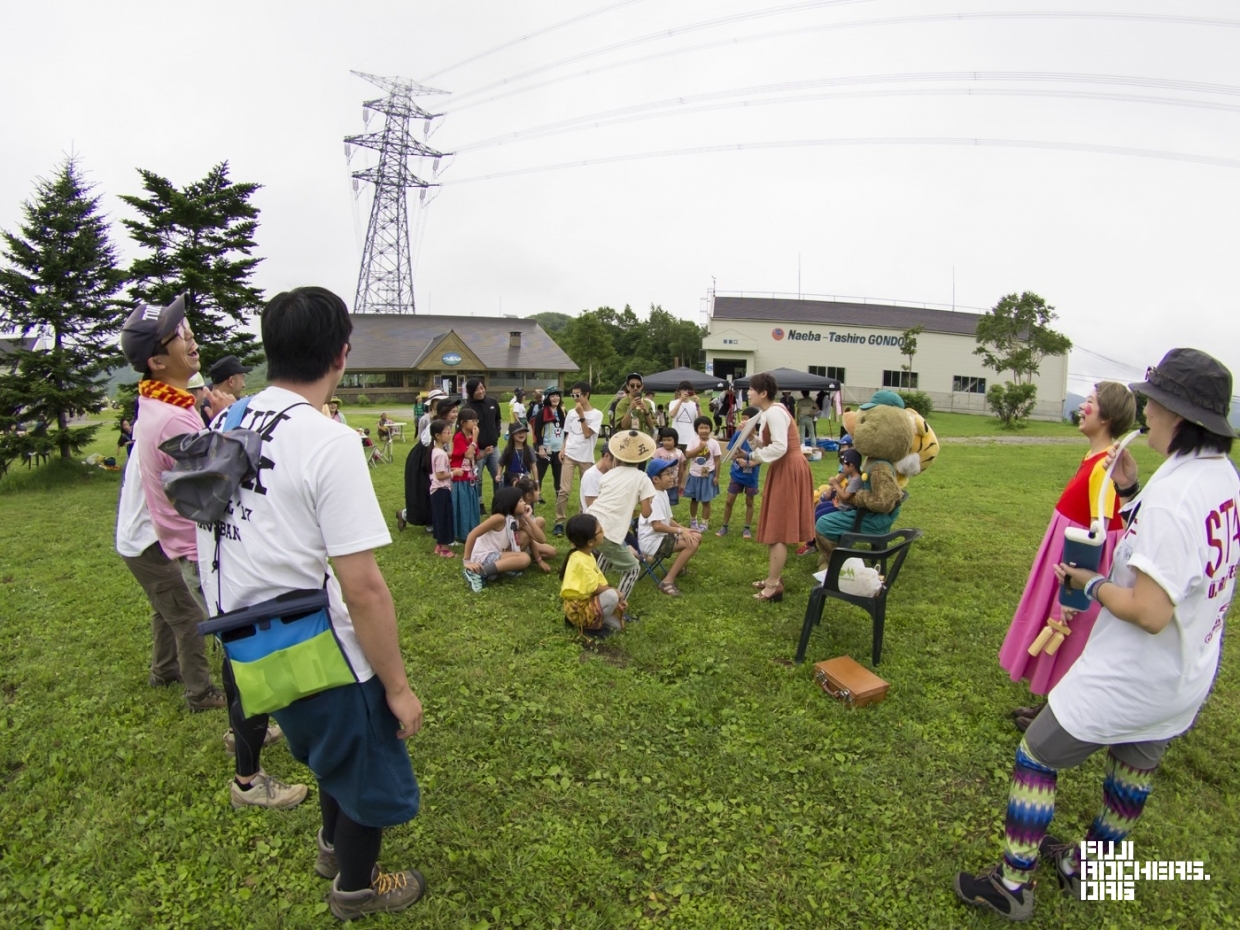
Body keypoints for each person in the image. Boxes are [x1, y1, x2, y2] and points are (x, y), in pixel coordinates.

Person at [954, 347, 1239, 922]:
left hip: (1133, 672)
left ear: (1177, 414)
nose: (1146, 412)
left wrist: (1090, 583)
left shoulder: (1177, 497)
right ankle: (1090, 869)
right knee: (1133, 764)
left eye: (1152, 402)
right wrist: (1132, 495)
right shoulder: (1220, 478)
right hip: (1183, 673)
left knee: (1037, 754)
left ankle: (1012, 886)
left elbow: (1150, 609)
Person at [197, 286, 427, 919]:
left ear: (270, 353)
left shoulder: (227, 420)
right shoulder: (327, 441)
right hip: (312, 640)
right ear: (342, 355)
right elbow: (364, 586)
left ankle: (331, 844)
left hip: (244, 640)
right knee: (366, 764)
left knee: (326, 749)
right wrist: (398, 687)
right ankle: (355, 886)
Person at [119, 294, 304, 809]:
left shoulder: (165, 403)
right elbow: (221, 486)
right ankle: (249, 779)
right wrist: (235, 430)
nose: (190, 336)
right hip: (208, 551)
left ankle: (240, 734)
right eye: (179, 334)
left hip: (199, 548)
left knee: (240, 648)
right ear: (158, 361)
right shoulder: (173, 419)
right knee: (245, 654)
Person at [998, 382, 1137, 730]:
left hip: (1074, 562)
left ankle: (1058, 713)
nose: (1082, 407)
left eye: (1089, 402)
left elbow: (1104, 533)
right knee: (1054, 626)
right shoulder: (1093, 458)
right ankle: (1050, 705)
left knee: (1069, 631)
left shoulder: (1104, 469)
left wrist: (1079, 581)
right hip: (1062, 554)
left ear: (1107, 416)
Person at [116, 441, 225, 711]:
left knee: (166, 606)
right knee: (187, 615)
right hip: (147, 542)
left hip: (141, 540)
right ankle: (200, 693)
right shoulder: (166, 433)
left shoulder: (150, 429)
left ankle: (164, 670)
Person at [731, 372, 815, 604]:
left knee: (779, 527)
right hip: (784, 467)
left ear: (763, 393)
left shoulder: (775, 412)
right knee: (776, 525)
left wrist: (751, 454)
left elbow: (779, 447)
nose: (748, 392)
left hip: (788, 467)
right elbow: (767, 444)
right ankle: (773, 577)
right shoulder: (768, 413)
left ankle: (773, 585)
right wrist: (750, 437)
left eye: (751, 389)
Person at [586, 430, 658, 605]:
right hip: (609, 530)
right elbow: (647, 513)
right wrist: (647, 500)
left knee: (605, 554)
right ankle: (617, 607)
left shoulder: (609, 474)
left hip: (589, 522)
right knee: (633, 568)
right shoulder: (643, 478)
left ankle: (591, 596)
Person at [639, 458, 702, 597]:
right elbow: (657, 526)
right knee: (693, 542)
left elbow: (668, 520)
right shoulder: (653, 497)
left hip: (660, 537)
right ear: (655, 479)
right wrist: (680, 531)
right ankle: (667, 581)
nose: (672, 476)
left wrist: (685, 529)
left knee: (696, 535)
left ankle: (678, 569)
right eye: (668, 474)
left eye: (671, 472)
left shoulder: (663, 492)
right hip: (651, 543)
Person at [560, 513, 625, 638]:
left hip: (587, 602)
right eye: (600, 530)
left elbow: (601, 581)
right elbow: (595, 588)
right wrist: (615, 592)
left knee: (618, 625)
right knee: (611, 596)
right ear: (590, 542)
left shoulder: (586, 555)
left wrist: (617, 598)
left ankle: (595, 620)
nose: (603, 532)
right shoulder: (581, 560)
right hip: (578, 610)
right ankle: (589, 628)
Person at [397, 391, 454, 532]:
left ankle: (428, 520)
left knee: (433, 490)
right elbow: (430, 448)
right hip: (422, 460)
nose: (455, 414)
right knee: (424, 492)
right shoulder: (435, 425)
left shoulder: (444, 425)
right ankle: (408, 515)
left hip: (431, 458)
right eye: (452, 411)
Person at [462, 486, 534, 591]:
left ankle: (502, 569)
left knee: (524, 548)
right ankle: (477, 573)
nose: (524, 503)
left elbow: (540, 539)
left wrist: (527, 518)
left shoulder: (514, 519)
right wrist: (467, 561)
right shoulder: (499, 518)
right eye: (520, 500)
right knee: (524, 558)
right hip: (483, 556)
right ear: (510, 503)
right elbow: (472, 534)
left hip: (496, 553)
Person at [555, 381, 603, 536]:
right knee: (564, 490)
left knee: (586, 490)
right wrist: (563, 448)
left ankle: (583, 520)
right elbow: (568, 433)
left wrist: (582, 415)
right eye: (573, 395)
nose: (575, 398)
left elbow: (588, 434)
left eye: (578, 395)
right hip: (570, 453)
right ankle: (560, 521)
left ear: (586, 394)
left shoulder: (596, 414)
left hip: (586, 457)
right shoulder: (570, 412)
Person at [716, 405, 761, 539]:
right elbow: (731, 453)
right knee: (729, 501)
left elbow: (764, 456)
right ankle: (724, 526)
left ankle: (747, 528)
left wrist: (755, 461)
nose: (742, 422)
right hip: (736, 474)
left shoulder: (759, 439)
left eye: (746, 419)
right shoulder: (738, 435)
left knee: (749, 502)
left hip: (751, 476)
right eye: (742, 419)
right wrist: (738, 460)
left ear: (753, 421)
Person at [462, 378, 503, 502]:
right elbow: (463, 429)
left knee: (498, 476)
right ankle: (479, 503)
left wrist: (497, 433)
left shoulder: (492, 402)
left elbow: (498, 420)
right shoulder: (467, 408)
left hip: (493, 448)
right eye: (476, 390)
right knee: (477, 478)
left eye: (482, 388)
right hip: (477, 449)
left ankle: (499, 502)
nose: (480, 391)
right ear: (470, 392)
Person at [680, 416, 721, 532]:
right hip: (694, 475)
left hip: (708, 476)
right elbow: (687, 455)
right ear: (696, 430)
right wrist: (700, 447)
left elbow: (717, 460)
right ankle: (693, 520)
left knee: (706, 501)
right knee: (694, 500)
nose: (704, 430)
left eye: (706, 428)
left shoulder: (714, 443)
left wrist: (717, 476)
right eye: (701, 428)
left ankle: (704, 523)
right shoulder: (693, 441)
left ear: (711, 429)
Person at [451, 408, 481, 544]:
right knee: (462, 505)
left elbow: (476, 455)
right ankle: (461, 533)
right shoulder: (458, 437)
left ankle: (472, 531)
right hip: (460, 478)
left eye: (476, 420)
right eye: (473, 420)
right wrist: (475, 439)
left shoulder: (471, 438)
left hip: (471, 477)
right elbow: (468, 454)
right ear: (463, 423)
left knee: (471, 505)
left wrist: (485, 452)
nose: (475, 423)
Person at [532, 386, 565, 507]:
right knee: (539, 473)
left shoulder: (563, 411)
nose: (555, 398)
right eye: (552, 396)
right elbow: (537, 430)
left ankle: (559, 498)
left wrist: (564, 447)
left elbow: (565, 431)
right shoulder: (542, 412)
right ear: (547, 398)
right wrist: (540, 447)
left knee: (558, 475)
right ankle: (537, 496)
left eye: (557, 395)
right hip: (546, 449)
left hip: (559, 449)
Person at [514, 476, 556, 571]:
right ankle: (523, 556)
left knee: (540, 520)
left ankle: (531, 553)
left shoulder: (526, 506)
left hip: (526, 540)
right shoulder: (520, 512)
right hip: (516, 545)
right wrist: (539, 560)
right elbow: (540, 539)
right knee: (527, 536)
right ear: (529, 495)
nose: (539, 492)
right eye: (537, 490)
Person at [427, 419, 455, 558]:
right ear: (437, 435)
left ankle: (439, 545)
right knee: (444, 518)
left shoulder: (437, 451)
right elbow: (440, 475)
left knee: (439, 517)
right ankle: (444, 548)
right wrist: (454, 473)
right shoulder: (440, 454)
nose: (450, 435)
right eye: (447, 432)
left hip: (436, 490)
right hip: (441, 490)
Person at [652, 428, 685, 508]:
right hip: (660, 483)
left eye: (669, 440)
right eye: (664, 440)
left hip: (673, 483)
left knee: (669, 503)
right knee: (658, 501)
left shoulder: (679, 453)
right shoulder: (658, 451)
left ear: (675, 440)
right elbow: (653, 467)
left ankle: (667, 517)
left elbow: (681, 469)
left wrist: (680, 483)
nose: (666, 442)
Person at [579, 447, 614, 511]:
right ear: (606, 456)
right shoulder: (591, 476)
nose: (618, 465)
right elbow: (593, 507)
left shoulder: (612, 473)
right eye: (616, 462)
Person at [667, 380, 699, 451]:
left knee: (686, 461)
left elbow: (701, 418)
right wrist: (681, 400)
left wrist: (697, 403)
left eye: (688, 390)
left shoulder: (693, 404)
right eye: (684, 389)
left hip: (690, 437)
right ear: (679, 391)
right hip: (676, 437)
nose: (686, 392)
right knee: (675, 459)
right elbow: (672, 415)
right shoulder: (673, 403)